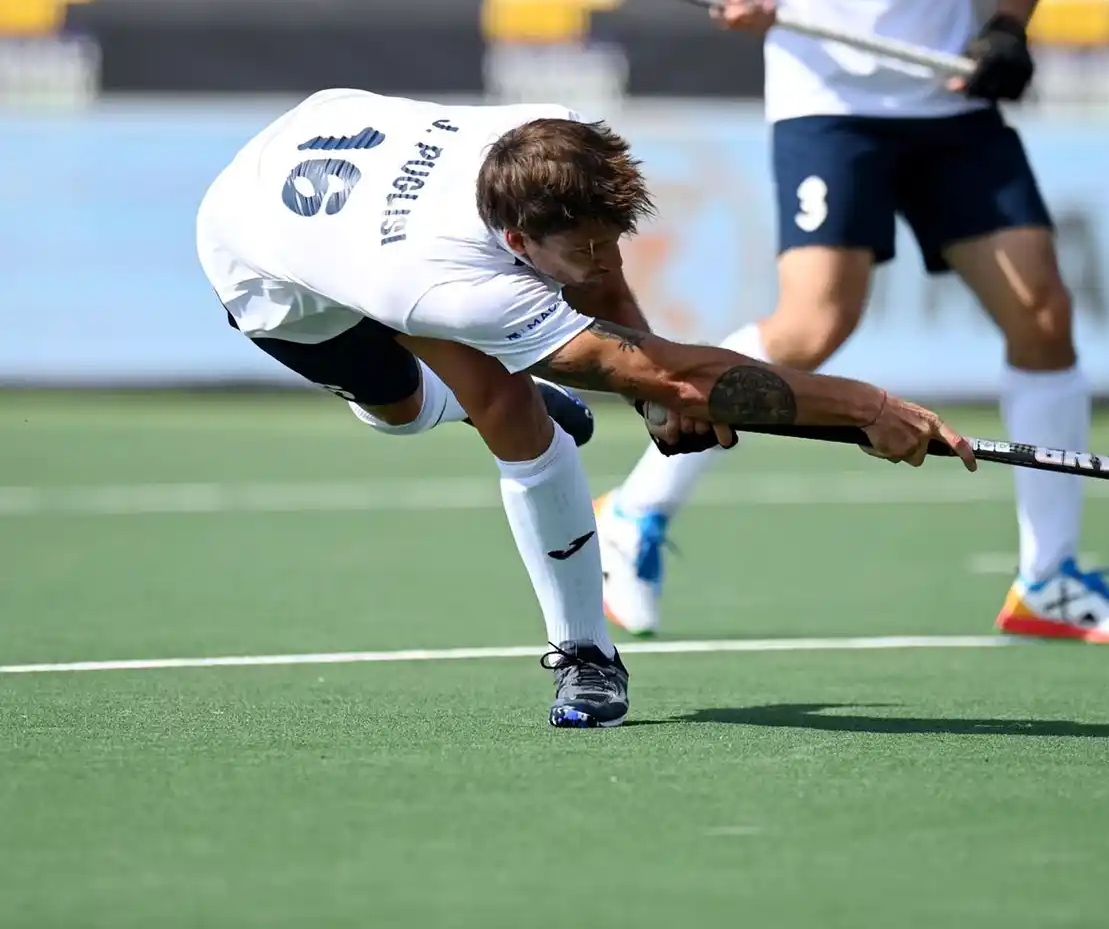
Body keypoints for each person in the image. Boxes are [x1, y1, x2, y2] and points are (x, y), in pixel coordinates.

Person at [195, 87, 976, 728]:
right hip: (270, 265)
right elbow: (667, 374)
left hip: (340, 166)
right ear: (516, 240)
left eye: (612, 240)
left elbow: (620, 318)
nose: (604, 262)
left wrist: (648, 386)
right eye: (584, 250)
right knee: (399, 410)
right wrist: (866, 407)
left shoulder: (554, 141)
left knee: (513, 414)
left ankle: (584, 656)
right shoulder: (449, 286)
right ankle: (494, 387)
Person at [593, 0, 1109, 643]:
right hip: (828, 104)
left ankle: (1049, 578)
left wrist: (1009, 27)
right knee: (811, 328)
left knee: (1044, 317)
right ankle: (633, 513)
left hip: (951, 104)